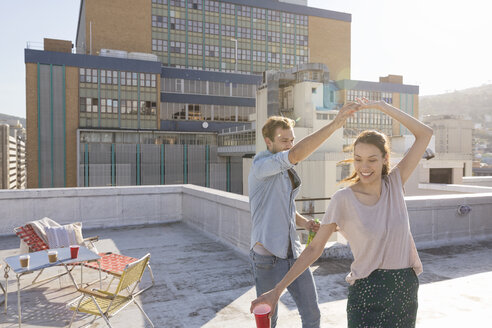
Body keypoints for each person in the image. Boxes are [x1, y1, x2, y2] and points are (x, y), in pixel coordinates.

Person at [250, 99, 433, 328]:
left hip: (404, 291)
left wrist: (382, 107)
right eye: (358, 159)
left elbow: (425, 134)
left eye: (372, 160)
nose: (364, 167)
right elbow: (314, 249)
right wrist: (277, 291)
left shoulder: (395, 183)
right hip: (366, 294)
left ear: (385, 159)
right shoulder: (342, 199)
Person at [249, 102, 361, 328]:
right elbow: (297, 154)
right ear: (268, 142)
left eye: (292, 140)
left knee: (311, 313)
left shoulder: (283, 170)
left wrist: (305, 223)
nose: (289, 145)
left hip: (294, 254)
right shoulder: (261, 166)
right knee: (269, 318)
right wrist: (335, 124)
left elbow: (285, 207)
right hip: (267, 258)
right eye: (284, 141)